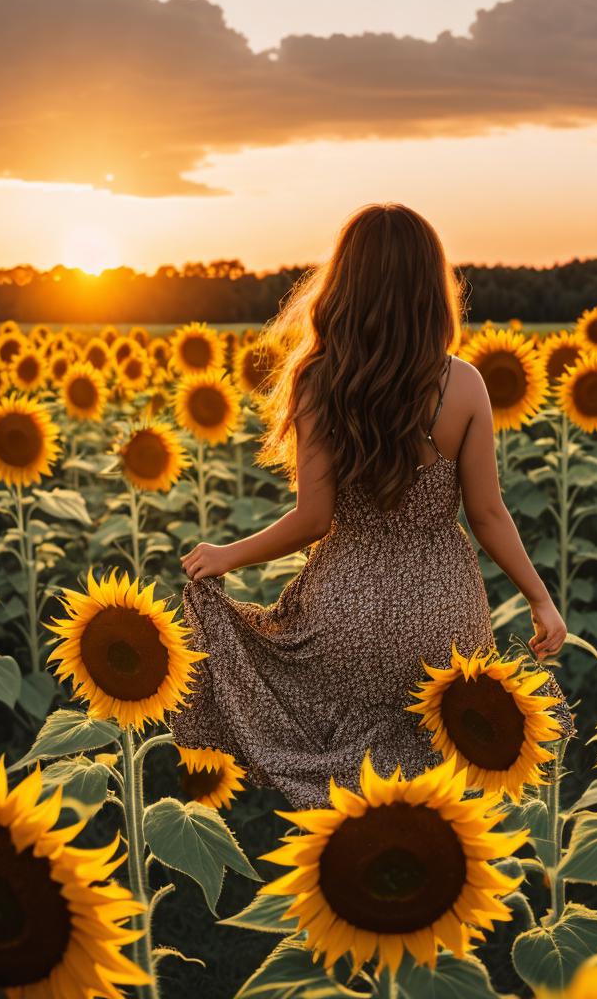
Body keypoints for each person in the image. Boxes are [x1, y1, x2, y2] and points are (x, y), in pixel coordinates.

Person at [171, 202, 571, 809]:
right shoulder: (462, 384)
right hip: (444, 618)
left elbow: (314, 520)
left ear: (343, 284)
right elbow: (487, 514)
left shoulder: (320, 381)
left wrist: (228, 555)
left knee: (346, 794)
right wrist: (539, 599)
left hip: (347, 616)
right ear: (431, 288)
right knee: (444, 794)